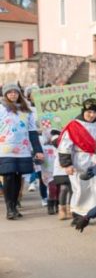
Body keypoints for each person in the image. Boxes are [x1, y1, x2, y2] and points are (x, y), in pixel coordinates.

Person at [59, 99, 96, 224]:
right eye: (89, 112)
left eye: (94, 112)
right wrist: (67, 164)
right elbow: (65, 146)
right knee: (81, 188)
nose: (91, 115)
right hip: (80, 161)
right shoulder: (73, 125)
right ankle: (79, 214)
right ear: (84, 111)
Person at [0, 83, 43, 220]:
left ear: (19, 94)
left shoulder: (26, 110)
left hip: (23, 149)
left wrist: (38, 150)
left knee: (18, 177)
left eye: (15, 92)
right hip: (5, 148)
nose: (13, 94)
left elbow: (32, 132)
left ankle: (15, 204)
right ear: (5, 94)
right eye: (10, 92)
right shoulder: (1, 108)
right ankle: (9, 208)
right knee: (8, 176)